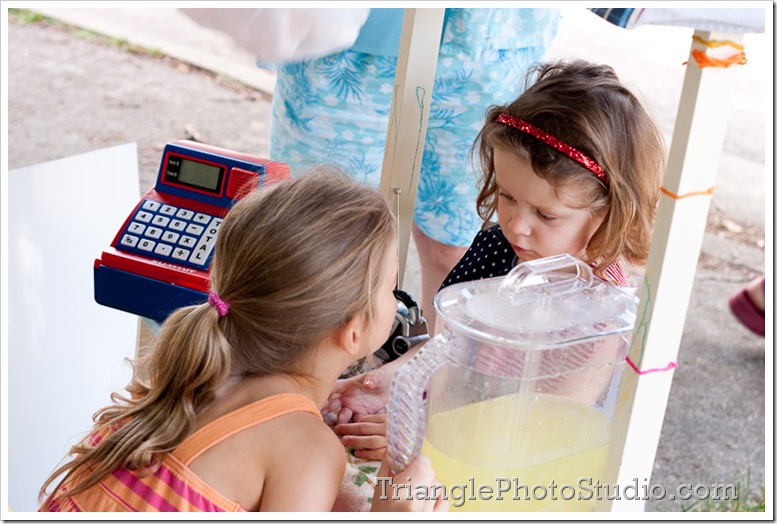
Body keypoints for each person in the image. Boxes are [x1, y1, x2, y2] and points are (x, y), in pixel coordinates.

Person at [38, 168, 446, 512]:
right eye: (392, 288)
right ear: (353, 330)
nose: (397, 301)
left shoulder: (188, 375)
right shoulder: (307, 451)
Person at [325, 58, 667, 430]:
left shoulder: (603, 314)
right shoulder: (499, 247)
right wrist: (390, 382)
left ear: (610, 212)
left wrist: (424, 427)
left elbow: (542, 425)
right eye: (507, 196)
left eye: (545, 215)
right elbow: (450, 346)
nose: (517, 226)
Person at [181, 7, 561, 332]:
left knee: (455, 246)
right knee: (323, 243)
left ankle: (423, 380)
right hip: (349, 47)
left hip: (492, 40)